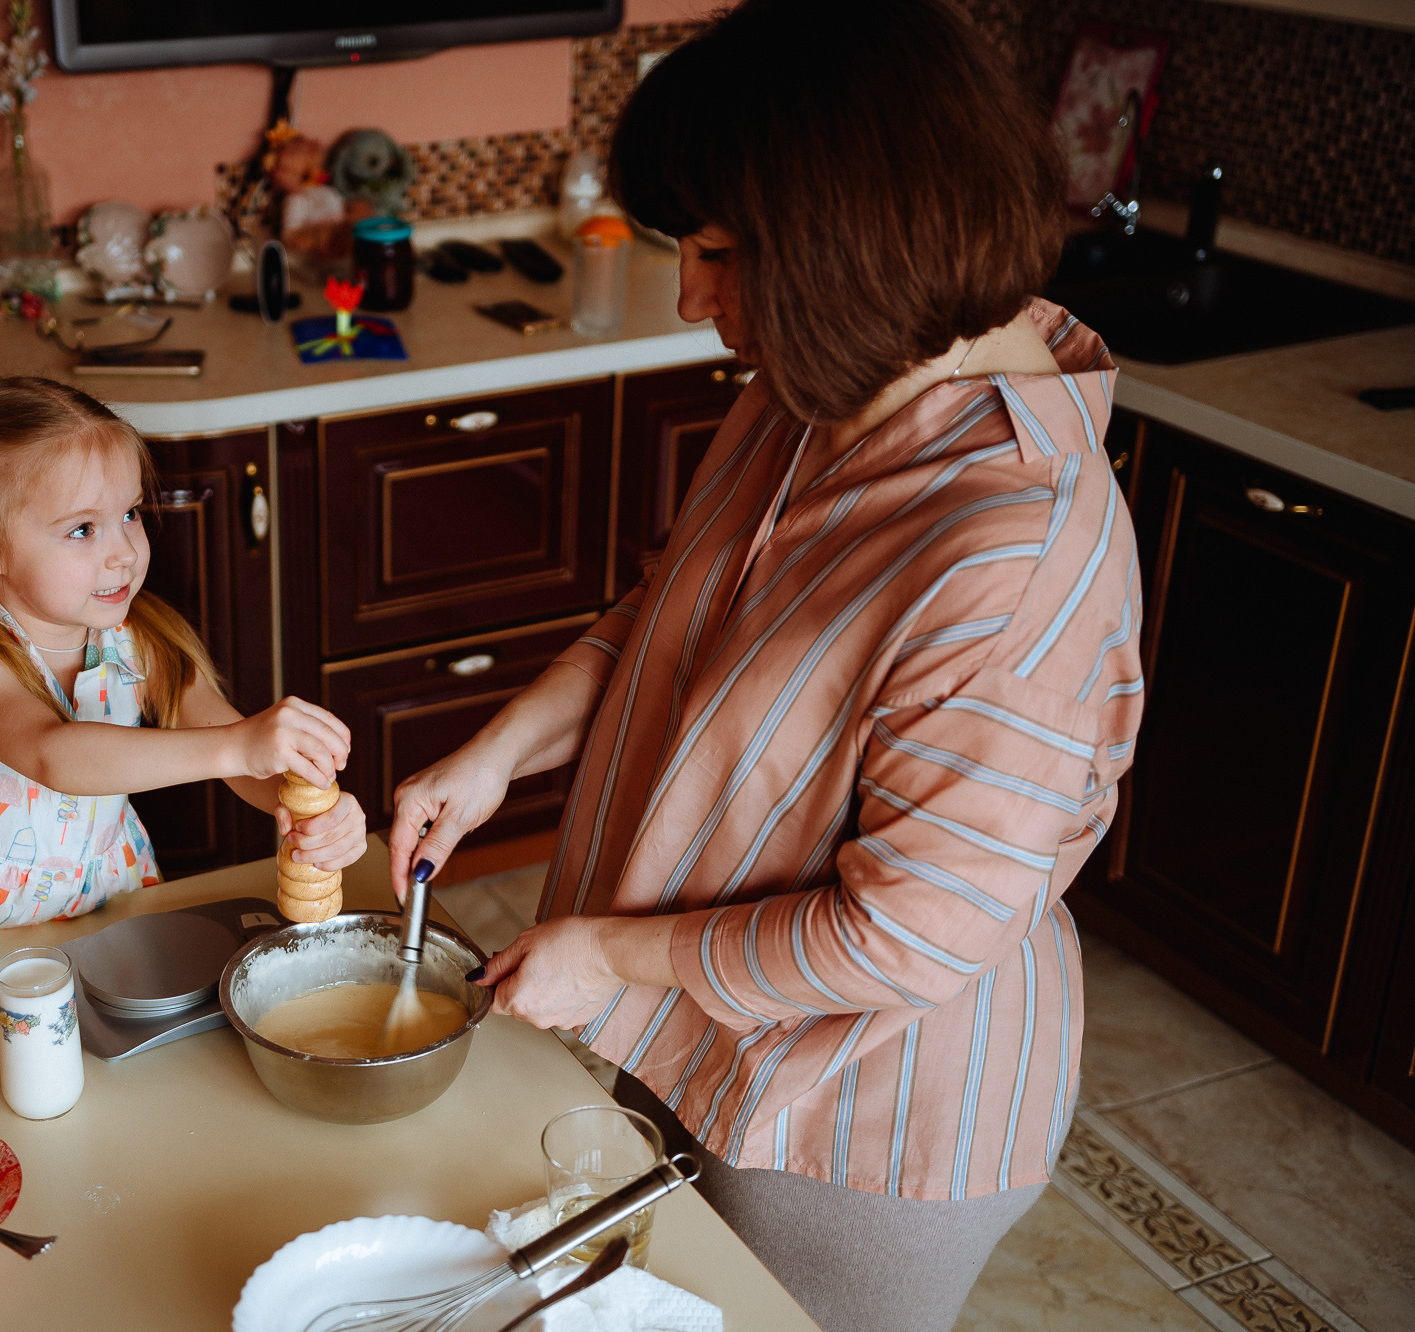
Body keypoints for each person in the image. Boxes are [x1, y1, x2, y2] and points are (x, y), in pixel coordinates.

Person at [387, 2, 1142, 1327]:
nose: (693, 298)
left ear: (855, 234)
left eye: (723, 252)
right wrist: (502, 749)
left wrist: (615, 959)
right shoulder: (833, 381)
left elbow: (902, 929)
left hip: (863, 1116)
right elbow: (681, 611)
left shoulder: (1011, 554)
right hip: (697, 1031)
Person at [0, 376, 365, 952]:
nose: (125, 551)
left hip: (104, 902)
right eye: (82, 529)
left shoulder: (136, 638)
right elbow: (54, 753)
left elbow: (225, 743)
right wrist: (239, 744)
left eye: (129, 514)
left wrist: (304, 811)